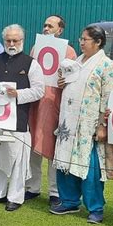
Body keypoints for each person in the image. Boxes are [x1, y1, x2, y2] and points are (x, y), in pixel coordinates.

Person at [51, 25, 113, 224]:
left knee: (90, 167)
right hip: (68, 122)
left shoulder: (106, 65)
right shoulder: (76, 62)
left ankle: (95, 207)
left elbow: (108, 97)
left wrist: (102, 125)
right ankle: (69, 201)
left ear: (98, 42)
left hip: (89, 124)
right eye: (80, 38)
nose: (81, 42)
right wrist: (61, 83)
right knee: (65, 163)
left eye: (85, 39)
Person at [0, 24, 44, 211]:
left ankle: (15, 197)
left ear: (22, 41)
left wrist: (19, 94)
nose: (12, 43)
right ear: (3, 41)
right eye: (8, 40)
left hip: (18, 120)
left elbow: (39, 90)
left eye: (15, 40)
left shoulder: (32, 63)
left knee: (17, 160)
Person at [26, 15, 78, 206]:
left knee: (53, 147)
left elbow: (75, 80)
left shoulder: (69, 51)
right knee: (33, 144)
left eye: (50, 25)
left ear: (60, 30)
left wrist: (67, 82)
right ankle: (32, 187)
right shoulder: (35, 48)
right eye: (44, 25)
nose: (46, 28)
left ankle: (55, 191)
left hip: (56, 104)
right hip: (36, 103)